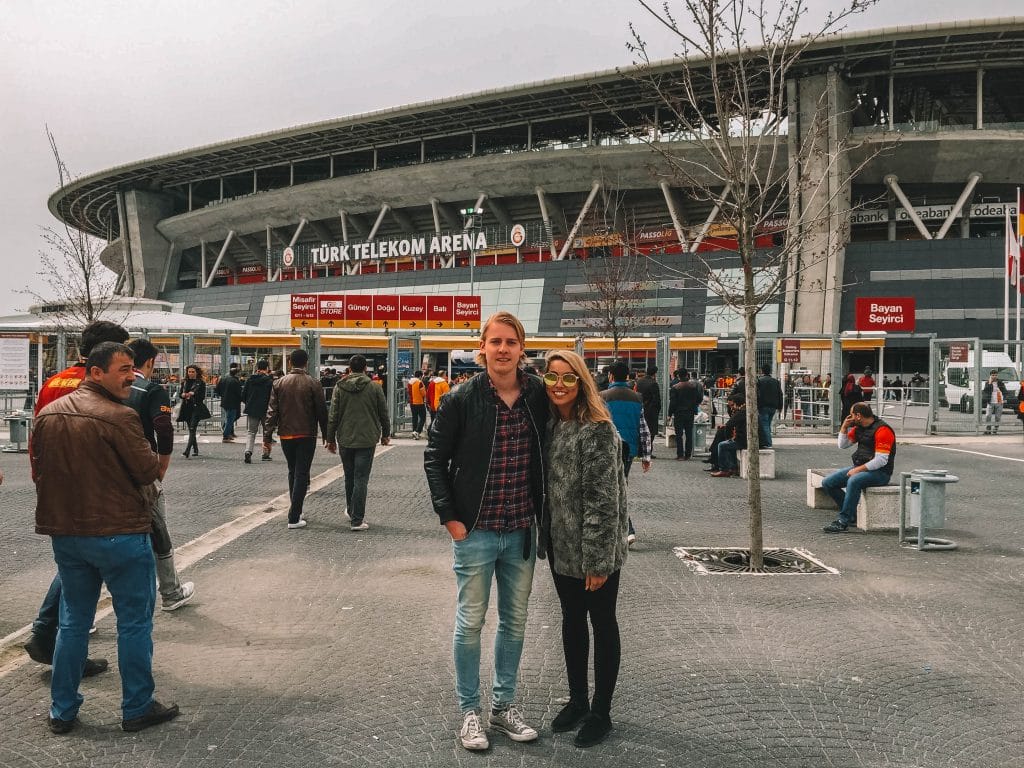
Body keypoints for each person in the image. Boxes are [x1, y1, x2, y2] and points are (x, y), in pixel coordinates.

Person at [32, 341, 179, 734]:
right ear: (96, 373)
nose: (132, 376)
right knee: (134, 622)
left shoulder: (48, 414)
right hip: (119, 533)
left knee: (72, 622)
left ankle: (62, 710)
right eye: (123, 370)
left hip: (67, 534)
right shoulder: (120, 417)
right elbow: (148, 471)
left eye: (133, 368)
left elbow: (40, 470)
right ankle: (137, 706)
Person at [423, 311, 547, 752]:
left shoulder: (538, 395)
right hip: (474, 530)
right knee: (470, 622)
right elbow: (434, 458)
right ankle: (470, 711)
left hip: (521, 530)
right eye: (495, 341)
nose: (503, 349)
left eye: (511, 342)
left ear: (521, 348)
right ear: (483, 347)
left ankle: (503, 706)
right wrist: (450, 518)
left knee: (514, 622)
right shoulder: (462, 398)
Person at [23, 320, 128, 674]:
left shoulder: (54, 382)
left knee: (72, 561)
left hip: (54, 483)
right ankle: (50, 636)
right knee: (84, 566)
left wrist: (40, 478)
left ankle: (46, 633)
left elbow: (37, 434)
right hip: (91, 487)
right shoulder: (99, 385)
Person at [541, 350, 628, 748]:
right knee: (572, 620)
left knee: (602, 622)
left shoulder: (597, 429)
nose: (559, 385)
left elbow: (603, 500)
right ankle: (577, 700)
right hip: (561, 546)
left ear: (582, 382)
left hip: (596, 548)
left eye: (568, 378)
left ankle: (601, 711)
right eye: (552, 377)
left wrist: (597, 561)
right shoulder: (550, 424)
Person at [126, 339, 196, 612]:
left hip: (107, 470)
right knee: (158, 529)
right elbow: (164, 428)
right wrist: (162, 465)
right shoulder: (150, 390)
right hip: (143, 468)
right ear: (150, 362)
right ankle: (171, 591)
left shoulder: (105, 388)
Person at [264, 349, 329, 529]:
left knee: (292, 471)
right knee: (302, 473)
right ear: (306, 362)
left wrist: (267, 436)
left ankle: (296, 509)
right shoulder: (313, 383)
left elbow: (272, 412)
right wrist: (327, 434)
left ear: (290, 362)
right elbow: (321, 411)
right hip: (307, 433)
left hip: (286, 433)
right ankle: (294, 516)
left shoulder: (279, 383)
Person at [325, 354, 391, 531]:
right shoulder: (374, 387)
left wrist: (330, 439)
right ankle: (357, 519)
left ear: (349, 368)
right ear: (365, 369)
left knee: (349, 476)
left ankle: (351, 509)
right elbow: (383, 412)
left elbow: (333, 415)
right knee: (361, 478)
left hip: (345, 437)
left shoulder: (339, 387)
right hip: (367, 438)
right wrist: (386, 434)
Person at [821, 402, 897, 533]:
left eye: (851, 415)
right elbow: (843, 445)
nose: (850, 417)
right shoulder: (860, 428)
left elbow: (881, 460)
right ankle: (851, 515)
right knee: (828, 482)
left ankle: (843, 521)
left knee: (854, 481)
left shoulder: (883, 430)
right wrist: (844, 427)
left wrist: (857, 470)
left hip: (881, 473)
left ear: (858, 416)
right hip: (861, 467)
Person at [600, 361, 651, 546]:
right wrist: (646, 455)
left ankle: (626, 529)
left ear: (611, 376)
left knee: (612, 489)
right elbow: (643, 428)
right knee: (619, 486)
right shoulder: (636, 398)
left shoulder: (602, 396)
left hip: (607, 447)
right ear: (628, 376)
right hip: (629, 449)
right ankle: (622, 529)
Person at [241, 358, 274, 463]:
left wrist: (249, 403)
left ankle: (248, 451)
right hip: (266, 410)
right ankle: (265, 454)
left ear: (257, 368)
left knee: (251, 432)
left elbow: (243, 396)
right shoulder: (269, 382)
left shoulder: (250, 380)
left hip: (252, 409)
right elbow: (272, 397)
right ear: (267, 368)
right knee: (267, 432)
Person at [668, 368, 702, 460]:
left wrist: (669, 414)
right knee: (689, 433)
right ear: (687, 375)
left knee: (679, 435)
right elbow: (699, 398)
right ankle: (688, 454)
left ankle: (680, 454)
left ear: (678, 376)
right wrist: (694, 405)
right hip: (690, 412)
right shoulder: (693, 387)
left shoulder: (675, 387)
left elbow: (673, 402)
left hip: (678, 413)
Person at [711, 393, 747, 478]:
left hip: (744, 440)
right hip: (747, 439)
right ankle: (733, 467)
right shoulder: (745, 411)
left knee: (722, 445)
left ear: (737, 404)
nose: (731, 408)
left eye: (733, 405)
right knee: (729, 444)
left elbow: (729, 425)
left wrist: (729, 438)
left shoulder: (741, 412)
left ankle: (724, 469)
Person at [178, 365, 209, 458]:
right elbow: (180, 394)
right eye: (189, 372)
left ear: (196, 372)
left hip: (197, 407)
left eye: (192, 372)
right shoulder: (184, 382)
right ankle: (195, 449)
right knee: (191, 429)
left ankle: (187, 450)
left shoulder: (201, 383)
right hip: (186, 408)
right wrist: (183, 395)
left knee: (192, 428)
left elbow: (202, 397)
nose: (190, 373)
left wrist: (194, 394)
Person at [755, 364, 783, 448]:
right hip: (773, 406)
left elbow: (757, 394)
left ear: (762, 371)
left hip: (763, 406)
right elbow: (780, 394)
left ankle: (768, 443)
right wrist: (780, 406)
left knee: (765, 425)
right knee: (768, 424)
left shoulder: (759, 381)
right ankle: (767, 441)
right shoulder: (775, 381)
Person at [634, 365, 661, 445]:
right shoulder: (653, 383)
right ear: (655, 374)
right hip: (651, 411)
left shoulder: (639, 382)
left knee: (641, 431)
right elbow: (657, 400)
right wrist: (657, 411)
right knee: (651, 432)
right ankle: (649, 448)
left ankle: (641, 449)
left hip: (640, 409)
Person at [214, 364, 242, 442]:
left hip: (225, 401)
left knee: (229, 417)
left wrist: (223, 395)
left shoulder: (223, 379)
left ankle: (229, 432)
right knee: (230, 419)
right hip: (233, 402)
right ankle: (226, 435)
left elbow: (217, 389)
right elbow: (239, 393)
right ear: (236, 374)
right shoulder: (235, 381)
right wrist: (242, 399)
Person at [982, 369, 1008, 435]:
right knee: (988, 416)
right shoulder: (987, 383)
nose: (994, 376)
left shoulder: (1000, 382)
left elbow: (1005, 391)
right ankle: (988, 430)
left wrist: (1005, 398)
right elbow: (986, 391)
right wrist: (990, 382)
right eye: (993, 375)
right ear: (990, 376)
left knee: (998, 417)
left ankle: (995, 430)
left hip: (999, 402)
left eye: (995, 375)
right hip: (990, 402)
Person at [407, 369, 427, 439]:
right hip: (419, 402)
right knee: (423, 417)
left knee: (414, 418)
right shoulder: (419, 382)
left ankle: (414, 431)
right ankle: (417, 431)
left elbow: (408, 391)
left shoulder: (409, 382)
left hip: (412, 402)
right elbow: (423, 393)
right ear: (420, 376)